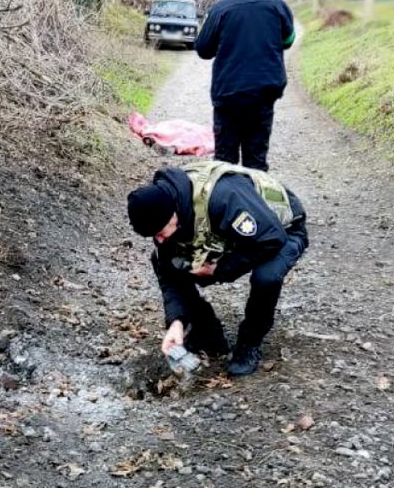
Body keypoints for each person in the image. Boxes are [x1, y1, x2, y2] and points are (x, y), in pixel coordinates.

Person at [126, 161, 307, 377]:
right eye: (153, 235)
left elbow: (270, 239)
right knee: (169, 262)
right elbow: (169, 274)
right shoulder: (165, 210)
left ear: (172, 214)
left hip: (281, 229)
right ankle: (207, 331)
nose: (159, 239)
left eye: (159, 231)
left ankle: (249, 342)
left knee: (266, 277)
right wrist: (177, 322)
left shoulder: (224, 197)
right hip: (234, 236)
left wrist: (219, 269)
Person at [194, 0, 296, 172]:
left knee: (225, 163)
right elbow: (289, 40)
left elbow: (203, 49)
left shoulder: (220, 8)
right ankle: (254, 203)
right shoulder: (277, 4)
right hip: (263, 97)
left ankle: (226, 202)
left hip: (228, 98)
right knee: (256, 163)